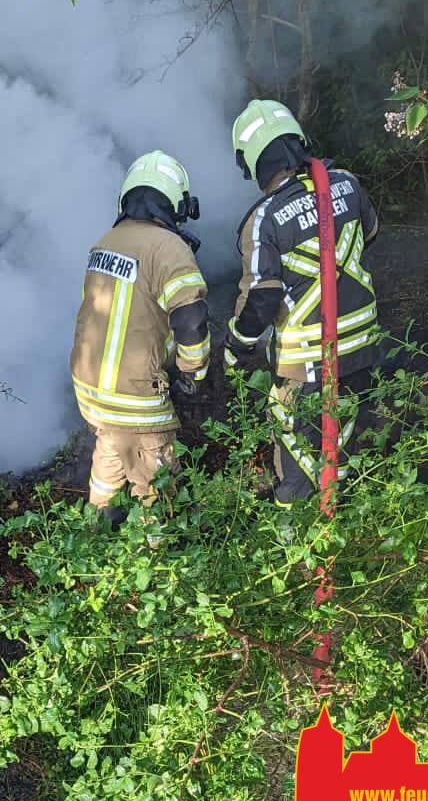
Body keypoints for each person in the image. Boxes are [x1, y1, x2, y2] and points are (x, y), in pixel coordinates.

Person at [223, 100, 380, 505]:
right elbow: (370, 232)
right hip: (362, 349)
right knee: (346, 441)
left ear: (253, 163)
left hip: (308, 363)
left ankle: (297, 533)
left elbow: (262, 297)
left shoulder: (265, 219)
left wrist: (236, 346)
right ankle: (348, 517)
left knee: (297, 460)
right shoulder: (347, 184)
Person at [70, 151, 210, 524]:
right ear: (175, 202)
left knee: (110, 456)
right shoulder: (169, 248)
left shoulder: (104, 243)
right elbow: (191, 319)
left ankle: (93, 533)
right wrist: (192, 373)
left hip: (92, 394)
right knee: (157, 487)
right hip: (136, 400)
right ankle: (155, 547)